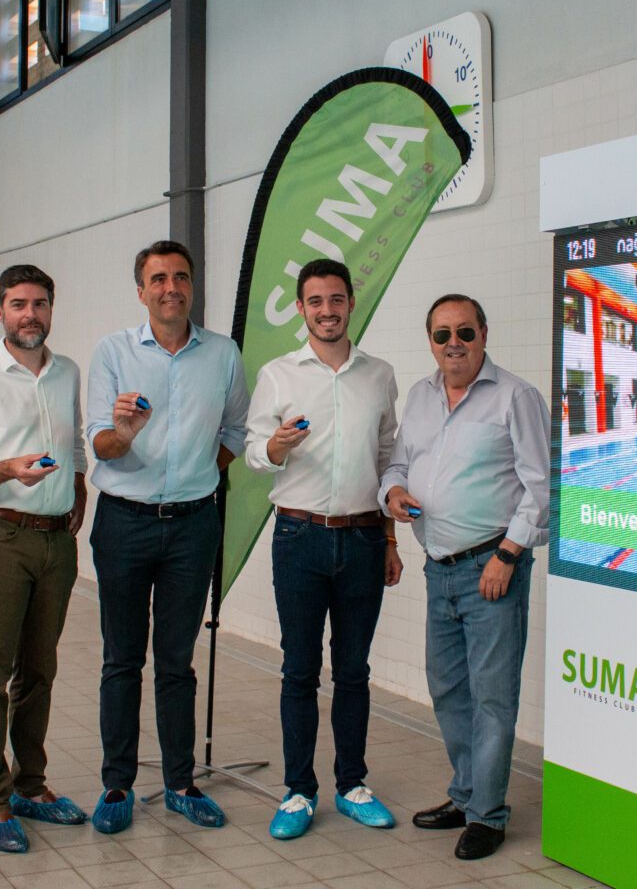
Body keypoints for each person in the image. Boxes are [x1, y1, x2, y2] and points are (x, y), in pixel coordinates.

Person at [84, 239, 249, 834]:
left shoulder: (223, 353)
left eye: (181, 277)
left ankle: (181, 783)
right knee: (122, 660)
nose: (171, 288)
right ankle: (117, 786)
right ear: (141, 291)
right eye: (158, 279)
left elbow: (235, 431)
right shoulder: (113, 352)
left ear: (192, 286)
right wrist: (126, 433)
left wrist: (199, 473)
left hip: (192, 527)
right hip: (123, 523)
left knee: (177, 662)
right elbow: (100, 443)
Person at [380, 294, 549, 861]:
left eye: (465, 333)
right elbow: (398, 463)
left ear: (483, 334)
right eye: (442, 334)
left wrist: (508, 553)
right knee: (449, 689)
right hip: (440, 569)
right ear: (431, 341)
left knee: (492, 697)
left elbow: (541, 485)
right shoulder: (421, 396)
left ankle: (488, 815)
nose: (454, 344)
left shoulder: (516, 397)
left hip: (491, 569)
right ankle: (468, 793)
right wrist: (393, 492)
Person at [243, 259, 403, 840]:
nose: (327, 310)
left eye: (336, 299)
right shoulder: (278, 375)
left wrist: (390, 538)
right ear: (301, 308)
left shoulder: (379, 374)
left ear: (350, 303)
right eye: (316, 301)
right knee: (299, 670)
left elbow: (388, 459)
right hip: (298, 538)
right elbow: (254, 453)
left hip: (363, 537)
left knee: (354, 670)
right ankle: (298, 791)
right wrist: (277, 446)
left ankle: (352, 784)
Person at [0, 264, 88, 854]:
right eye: (18, 304)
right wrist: (6, 469)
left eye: (40, 303)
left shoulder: (67, 372)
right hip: (1, 536)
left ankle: (31, 784)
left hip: (57, 542)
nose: (30, 314)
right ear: (0, 311)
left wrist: (78, 483)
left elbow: (73, 440)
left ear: (51, 308)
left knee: (40, 670)